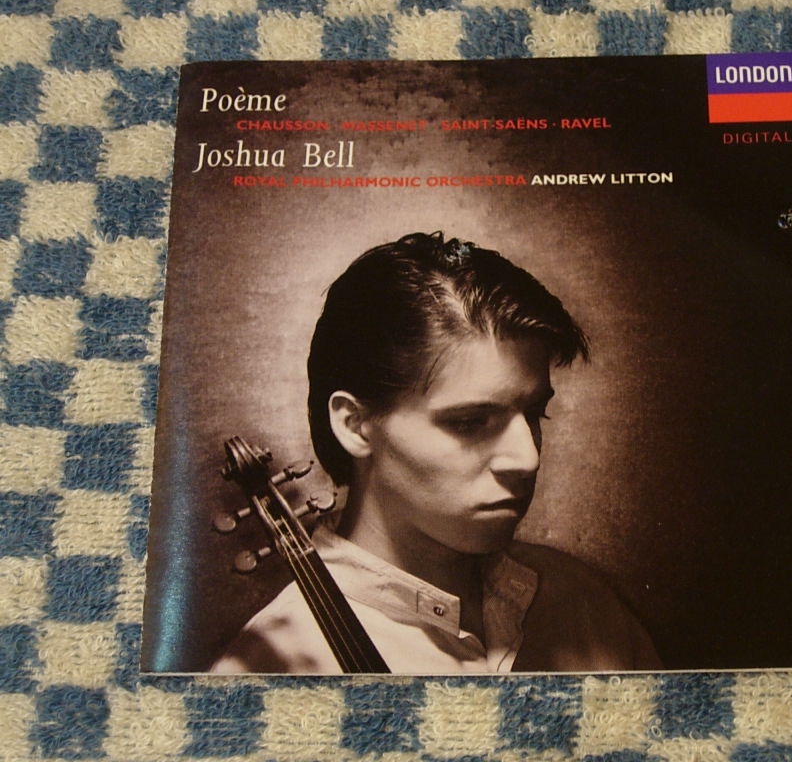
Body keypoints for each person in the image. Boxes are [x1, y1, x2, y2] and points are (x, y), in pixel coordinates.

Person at [211, 232, 661, 673]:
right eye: (469, 422)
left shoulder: (582, 604)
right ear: (355, 425)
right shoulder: (271, 668)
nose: (527, 459)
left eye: (533, 413)